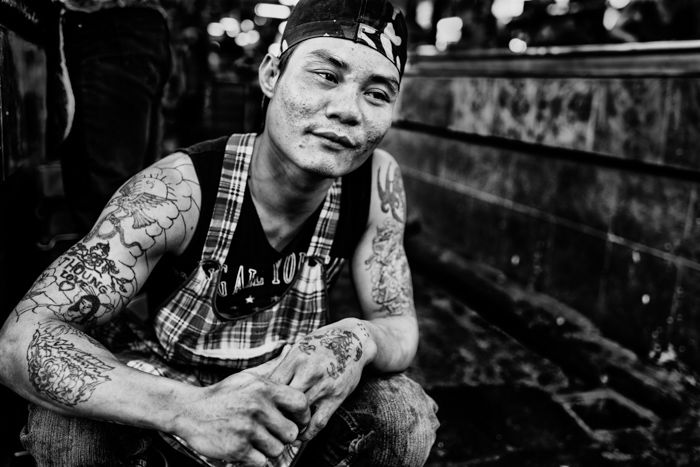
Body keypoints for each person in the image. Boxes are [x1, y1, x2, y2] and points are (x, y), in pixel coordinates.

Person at [0, 0, 439, 465]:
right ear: (271, 74)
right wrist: (188, 410)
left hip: (286, 404)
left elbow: (399, 325)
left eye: (377, 94)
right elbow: (19, 339)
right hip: (167, 389)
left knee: (402, 414)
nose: (348, 110)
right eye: (326, 76)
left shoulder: (375, 182)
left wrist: (355, 339)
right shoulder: (174, 192)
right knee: (62, 427)